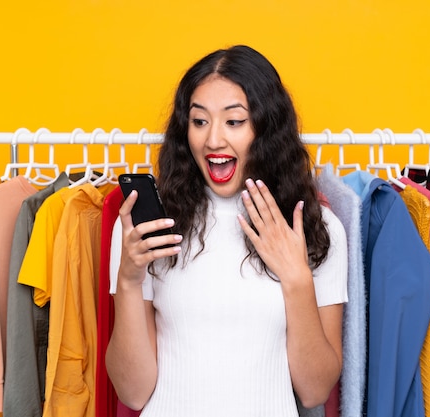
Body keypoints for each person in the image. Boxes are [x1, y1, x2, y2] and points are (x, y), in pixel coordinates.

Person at [105, 45, 348, 417]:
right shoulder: (150, 227)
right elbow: (133, 392)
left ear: (267, 128)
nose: (213, 139)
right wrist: (129, 279)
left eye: (234, 121)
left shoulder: (315, 227)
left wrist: (297, 278)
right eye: (199, 121)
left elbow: (315, 390)